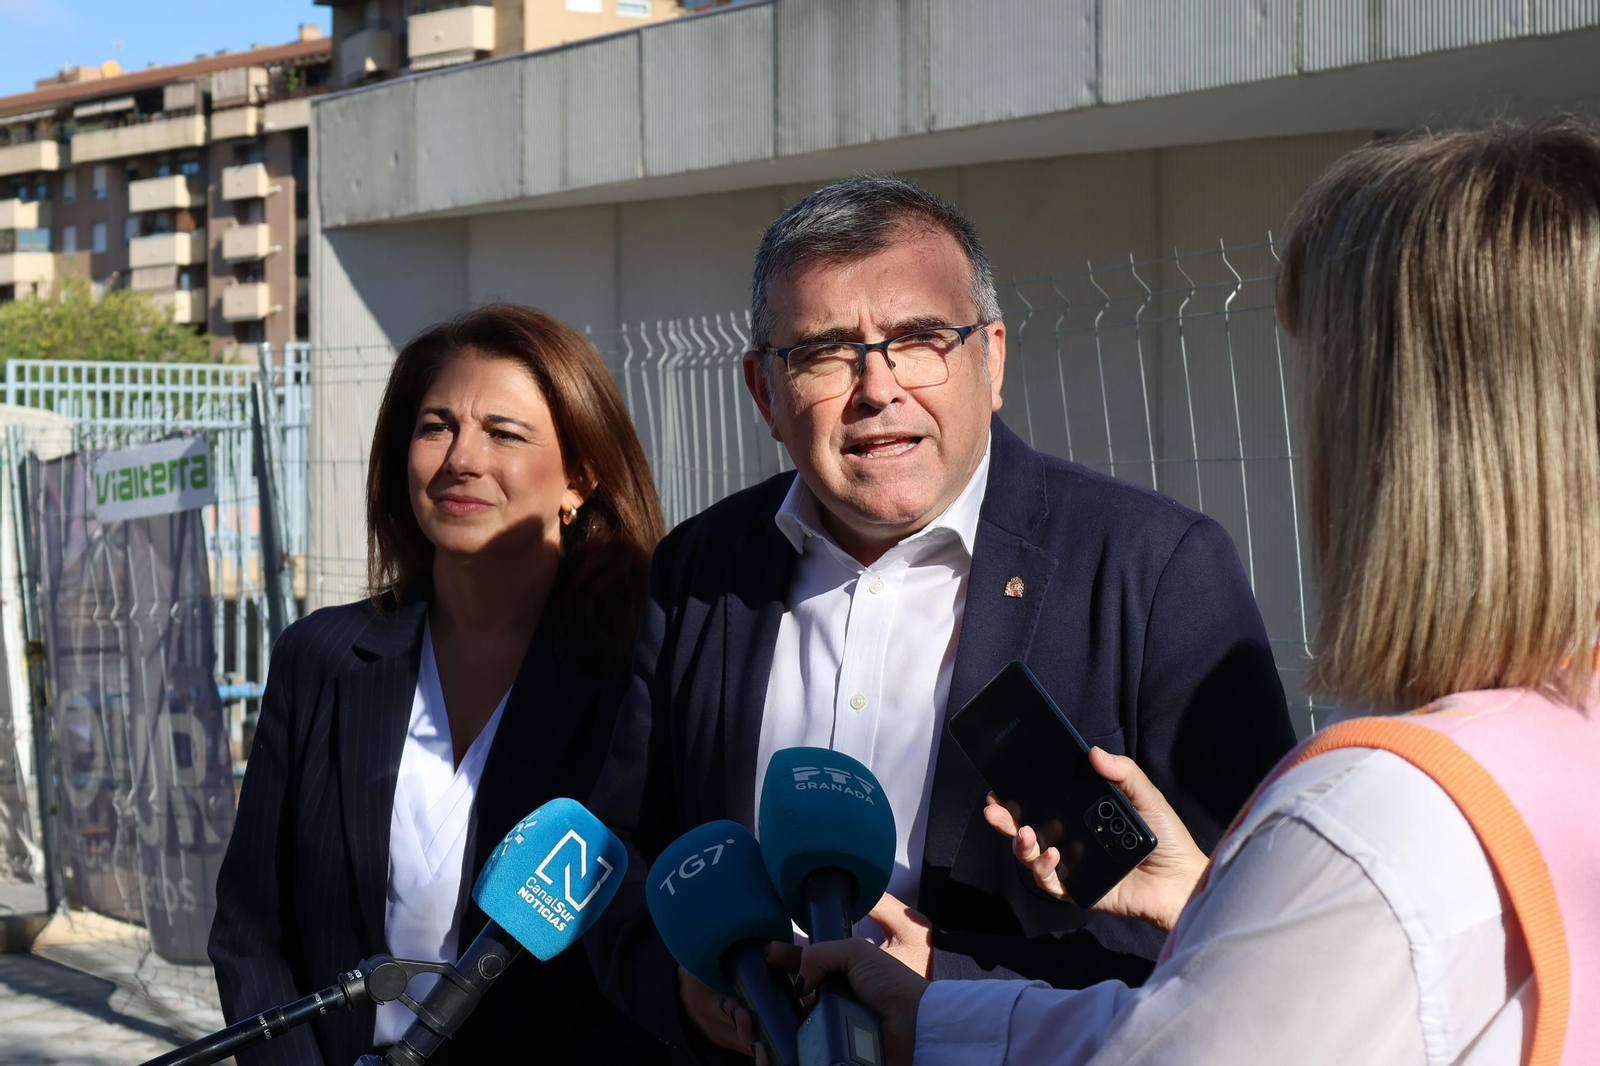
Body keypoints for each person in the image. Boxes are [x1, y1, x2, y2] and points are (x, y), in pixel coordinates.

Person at [779, 122, 1600, 1065]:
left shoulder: (1370, 815)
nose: (877, 387)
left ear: (1398, 438)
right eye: (825, 353)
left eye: (1321, 376)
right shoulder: (1549, 734)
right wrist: (1203, 894)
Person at [585, 175, 1297, 1059]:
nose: (877, 389)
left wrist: (950, 990)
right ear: (765, 393)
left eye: (920, 340)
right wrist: (692, 996)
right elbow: (618, 863)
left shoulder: (1157, 570)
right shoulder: (698, 571)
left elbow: (1250, 923)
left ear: (991, 360)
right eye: (824, 353)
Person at [209, 305, 674, 1064]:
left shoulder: (639, 676)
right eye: (435, 427)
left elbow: (648, 962)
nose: (461, 457)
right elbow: (251, 931)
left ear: (580, 477)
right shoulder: (320, 657)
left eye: (504, 431)